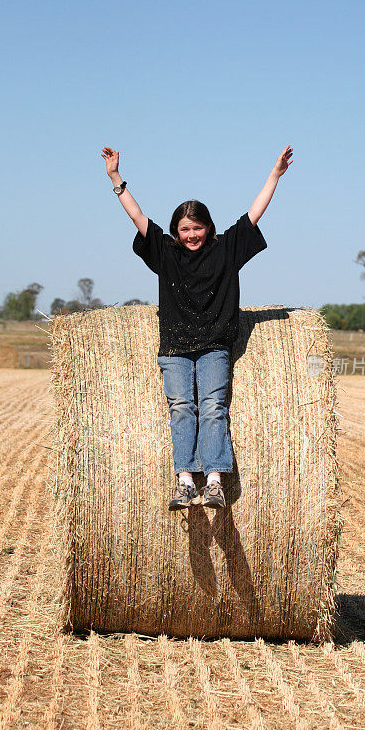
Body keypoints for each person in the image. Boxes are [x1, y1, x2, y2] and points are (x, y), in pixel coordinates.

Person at [101, 144, 293, 510]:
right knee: (181, 407)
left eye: (197, 228)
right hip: (174, 346)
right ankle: (186, 480)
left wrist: (275, 175)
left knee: (213, 406)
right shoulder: (165, 253)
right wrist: (115, 178)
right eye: (185, 228)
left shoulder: (226, 250)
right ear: (176, 230)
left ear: (209, 228)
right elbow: (137, 215)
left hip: (214, 344)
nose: (191, 234)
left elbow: (254, 213)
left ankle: (216, 480)